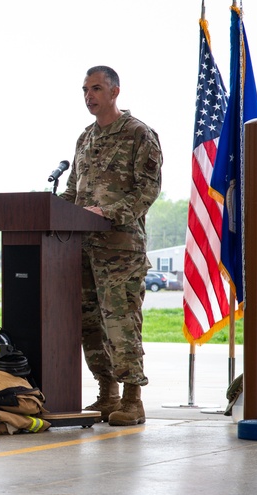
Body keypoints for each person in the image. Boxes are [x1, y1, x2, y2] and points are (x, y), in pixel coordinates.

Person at [59, 66, 161, 426]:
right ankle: (107, 394)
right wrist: (57, 213)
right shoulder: (85, 137)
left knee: (121, 322)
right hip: (83, 250)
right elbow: (73, 190)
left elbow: (147, 190)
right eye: (85, 89)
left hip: (120, 250)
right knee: (91, 324)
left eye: (97, 88)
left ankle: (133, 399)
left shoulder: (138, 134)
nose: (89, 96)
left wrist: (107, 212)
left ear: (115, 91)